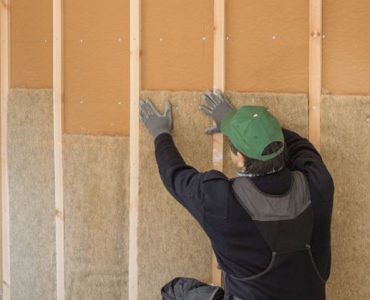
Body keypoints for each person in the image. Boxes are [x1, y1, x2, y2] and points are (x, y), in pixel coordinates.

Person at [139, 90, 334, 300]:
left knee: (175, 290)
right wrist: (244, 127)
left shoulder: (222, 203)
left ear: (240, 159)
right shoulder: (318, 183)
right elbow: (300, 146)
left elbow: (175, 176)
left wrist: (160, 133)